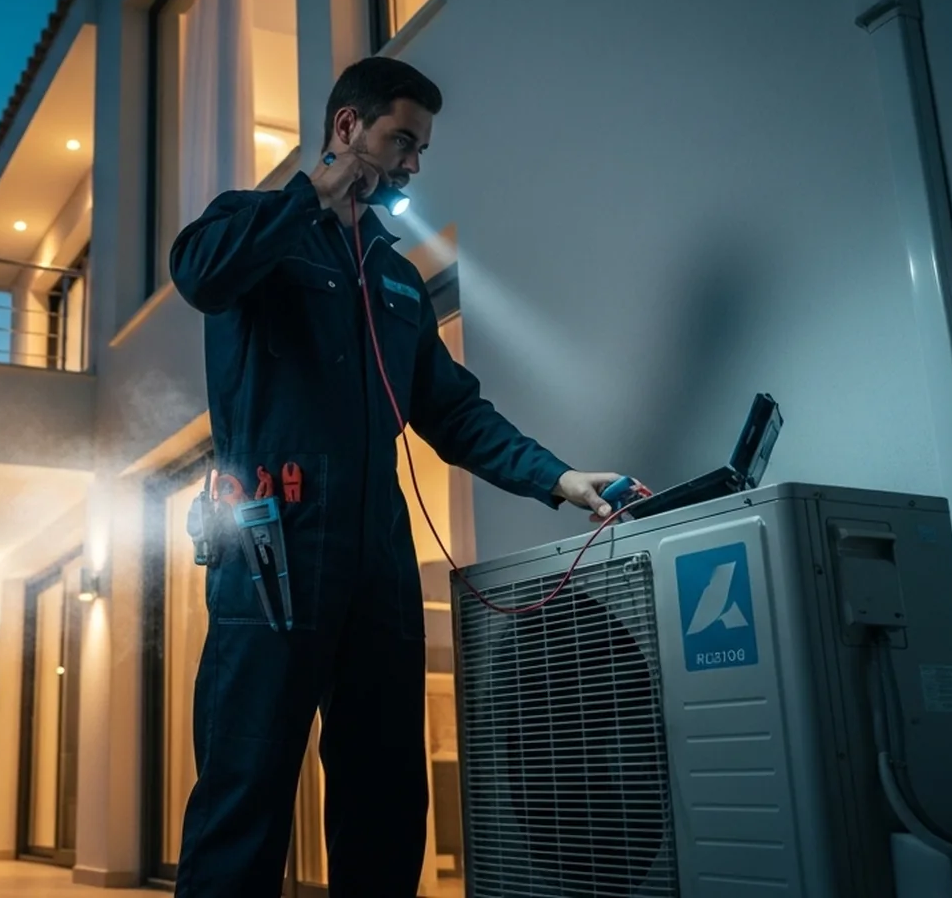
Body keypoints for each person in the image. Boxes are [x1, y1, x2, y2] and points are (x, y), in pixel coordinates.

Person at [168, 55, 625, 896]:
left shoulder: (394, 275)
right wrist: (316, 192)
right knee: (245, 798)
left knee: (385, 801)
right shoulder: (255, 227)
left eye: (420, 148)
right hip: (272, 558)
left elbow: (453, 413)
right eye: (402, 140)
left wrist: (559, 478)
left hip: (378, 566)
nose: (414, 162)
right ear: (348, 129)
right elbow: (198, 273)